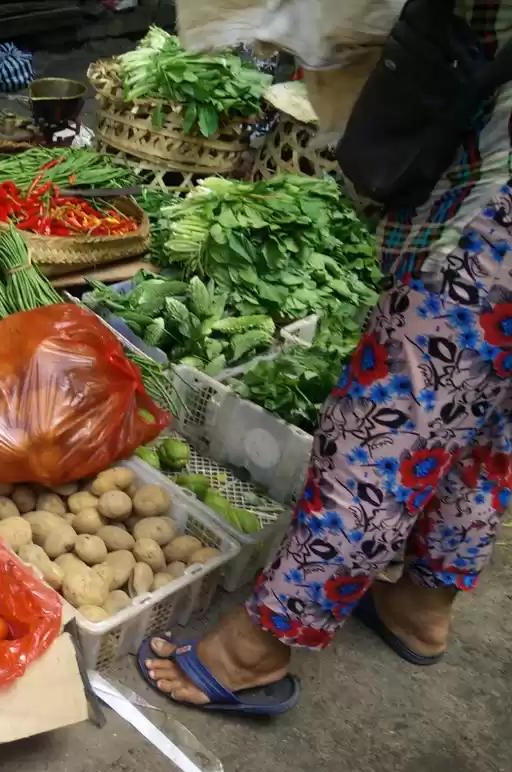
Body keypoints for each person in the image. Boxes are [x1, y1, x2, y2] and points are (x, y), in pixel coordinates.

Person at [139, 5, 512, 713]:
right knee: (488, 421)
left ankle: (256, 650)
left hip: (496, 214)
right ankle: (422, 606)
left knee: (385, 430)